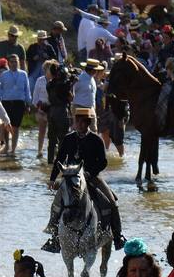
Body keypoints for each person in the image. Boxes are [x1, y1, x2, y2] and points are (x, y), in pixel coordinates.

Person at [43, 106, 124, 252]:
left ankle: (118, 236)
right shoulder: (68, 139)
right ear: (74, 122)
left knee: (111, 202)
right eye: (77, 122)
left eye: (82, 122)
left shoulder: (96, 139)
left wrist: (89, 173)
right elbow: (59, 159)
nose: (79, 125)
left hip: (92, 177)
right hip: (70, 177)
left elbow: (103, 162)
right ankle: (54, 238)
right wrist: (52, 179)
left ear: (88, 123)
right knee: (56, 203)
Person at [0, 55, 31, 153]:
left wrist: (28, 104)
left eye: (15, 61)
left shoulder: (23, 74)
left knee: (16, 127)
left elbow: (27, 90)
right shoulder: (4, 75)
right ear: (8, 63)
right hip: (6, 103)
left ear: (18, 62)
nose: (14, 63)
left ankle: (13, 149)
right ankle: (7, 145)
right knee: (7, 125)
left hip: (19, 103)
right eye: (11, 62)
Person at [42, 60, 72, 163]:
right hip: (62, 112)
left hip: (52, 112)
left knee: (52, 140)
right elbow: (70, 97)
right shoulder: (64, 84)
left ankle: (50, 161)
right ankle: (62, 162)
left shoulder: (49, 84)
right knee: (63, 139)